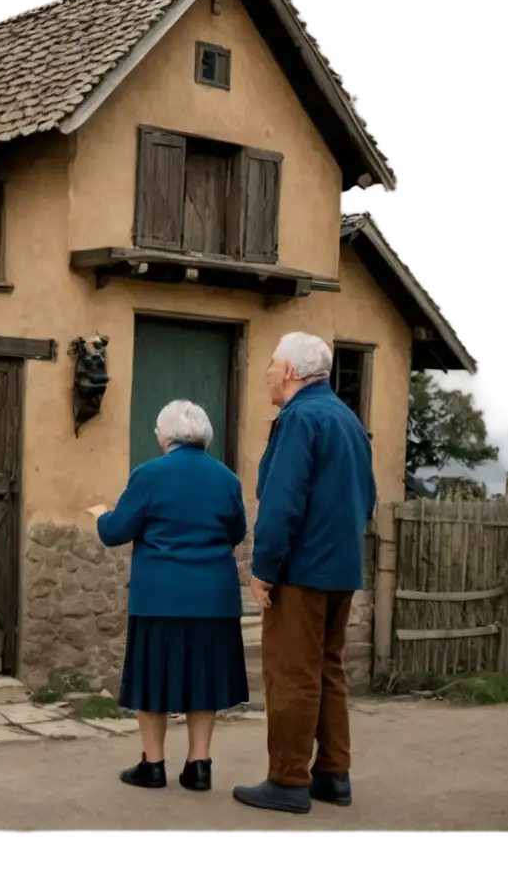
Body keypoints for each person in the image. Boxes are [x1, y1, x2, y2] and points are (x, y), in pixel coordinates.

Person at [232, 332, 377, 815]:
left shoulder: (298, 419)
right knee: (327, 669)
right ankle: (334, 773)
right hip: (342, 569)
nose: (268, 372)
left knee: (291, 672)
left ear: (291, 371)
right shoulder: (348, 420)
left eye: (272, 364)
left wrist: (264, 569)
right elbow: (369, 497)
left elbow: (281, 503)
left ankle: (288, 779)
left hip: (301, 570)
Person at [96, 399, 249, 792]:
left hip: (159, 597)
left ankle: (153, 764)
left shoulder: (148, 475)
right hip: (214, 598)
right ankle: (199, 766)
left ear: (166, 436)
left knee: (153, 679)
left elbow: (117, 531)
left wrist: (100, 515)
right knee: (204, 680)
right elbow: (236, 533)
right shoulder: (227, 479)